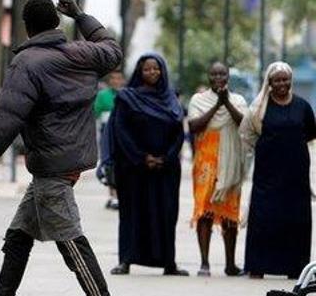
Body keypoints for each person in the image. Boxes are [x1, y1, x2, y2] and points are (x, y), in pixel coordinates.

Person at [0, 0, 127, 296]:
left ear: (26, 26)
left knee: (71, 244)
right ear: (56, 22)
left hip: (53, 168)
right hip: (63, 164)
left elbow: (6, 121)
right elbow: (112, 49)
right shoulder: (81, 53)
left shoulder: (28, 62)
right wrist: (82, 16)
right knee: (18, 239)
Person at [108, 53, 187, 277]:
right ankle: (126, 260)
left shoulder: (171, 98)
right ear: (139, 72)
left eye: (156, 69)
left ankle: (168, 262)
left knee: (166, 213)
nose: (152, 73)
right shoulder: (126, 98)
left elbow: (178, 132)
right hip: (134, 168)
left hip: (166, 169)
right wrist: (143, 157)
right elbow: (121, 131)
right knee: (132, 213)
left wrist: (166, 157)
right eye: (147, 69)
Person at [240, 62, 315, 279]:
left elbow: (310, 133)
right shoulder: (258, 108)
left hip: (296, 175)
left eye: (285, 79)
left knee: (296, 219)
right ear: (269, 83)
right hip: (267, 175)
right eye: (277, 80)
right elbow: (247, 134)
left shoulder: (302, 106)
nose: (282, 84)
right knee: (263, 218)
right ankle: (257, 266)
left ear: (290, 80)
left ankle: (295, 268)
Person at [187, 62, 247, 277]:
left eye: (222, 73)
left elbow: (245, 124)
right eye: (214, 74)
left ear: (228, 75)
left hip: (231, 161)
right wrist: (216, 105)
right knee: (205, 211)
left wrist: (227, 103)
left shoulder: (238, 100)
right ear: (209, 76)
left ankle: (230, 264)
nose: (218, 77)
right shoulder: (198, 100)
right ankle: (204, 263)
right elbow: (194, 127)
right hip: (206, 162)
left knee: (230, 213)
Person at [94, 70, 125, 210]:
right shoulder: (102, 96)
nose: (116, 81)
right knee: (109, 163)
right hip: (106, 134)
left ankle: (120, 195)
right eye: (113, 78)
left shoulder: (126, 94)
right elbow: (96, 112)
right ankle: (113, 195)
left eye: (119, 79)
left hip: (123, 135)